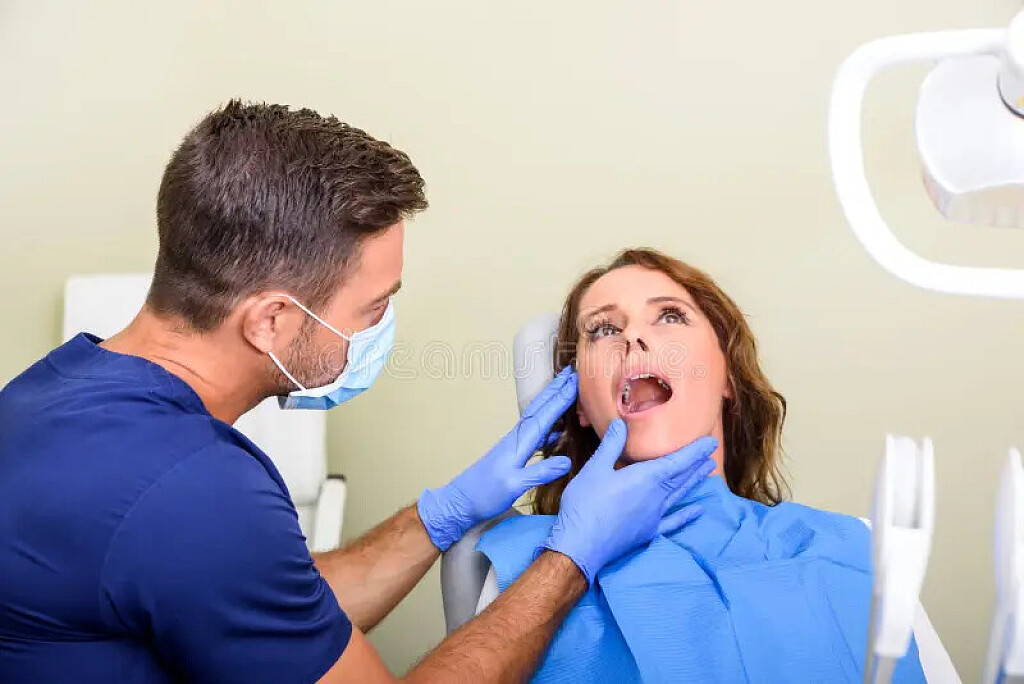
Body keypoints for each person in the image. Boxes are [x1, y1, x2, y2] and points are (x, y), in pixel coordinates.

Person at [0, 103, 717, 683]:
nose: (381, 327)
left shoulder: (52, 391)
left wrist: (442, 514)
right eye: (373, 307)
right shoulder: (196, 490)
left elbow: (257, 600)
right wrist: (569, 560)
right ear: (272, 321)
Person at [476, 248, 929, 682]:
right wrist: (565, 561)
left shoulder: (856, 549)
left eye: (670, 316)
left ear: (727, 375)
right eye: (603, 329)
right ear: (579, 407)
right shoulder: (526, 566)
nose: (633, 337)